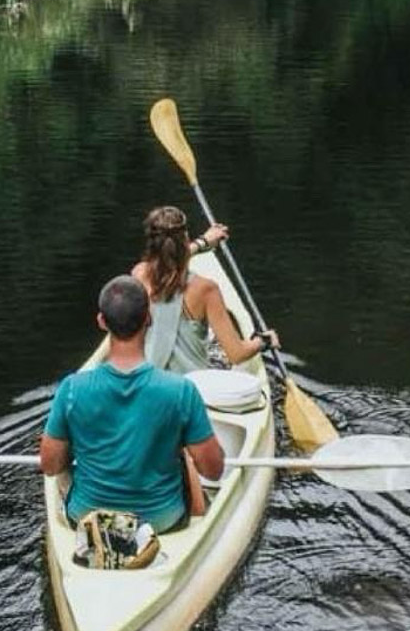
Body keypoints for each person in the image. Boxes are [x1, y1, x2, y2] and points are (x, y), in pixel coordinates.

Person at [39, 275, 224, 532]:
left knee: (66, 449)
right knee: (185, 456)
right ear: (148, 318)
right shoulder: (181, 391)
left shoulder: (71, 389)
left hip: (87, 519)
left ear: (102, 322)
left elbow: (49, 466)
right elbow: (214, 470)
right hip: (161, 522)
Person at [132, 206, 279, 375]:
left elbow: (168, 258)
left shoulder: (138, 275)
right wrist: (263, 341)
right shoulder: (206, 290)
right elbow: (236, 354)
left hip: (148, 381)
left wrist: (203, 242)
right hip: (190, 392)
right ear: (185, 238)